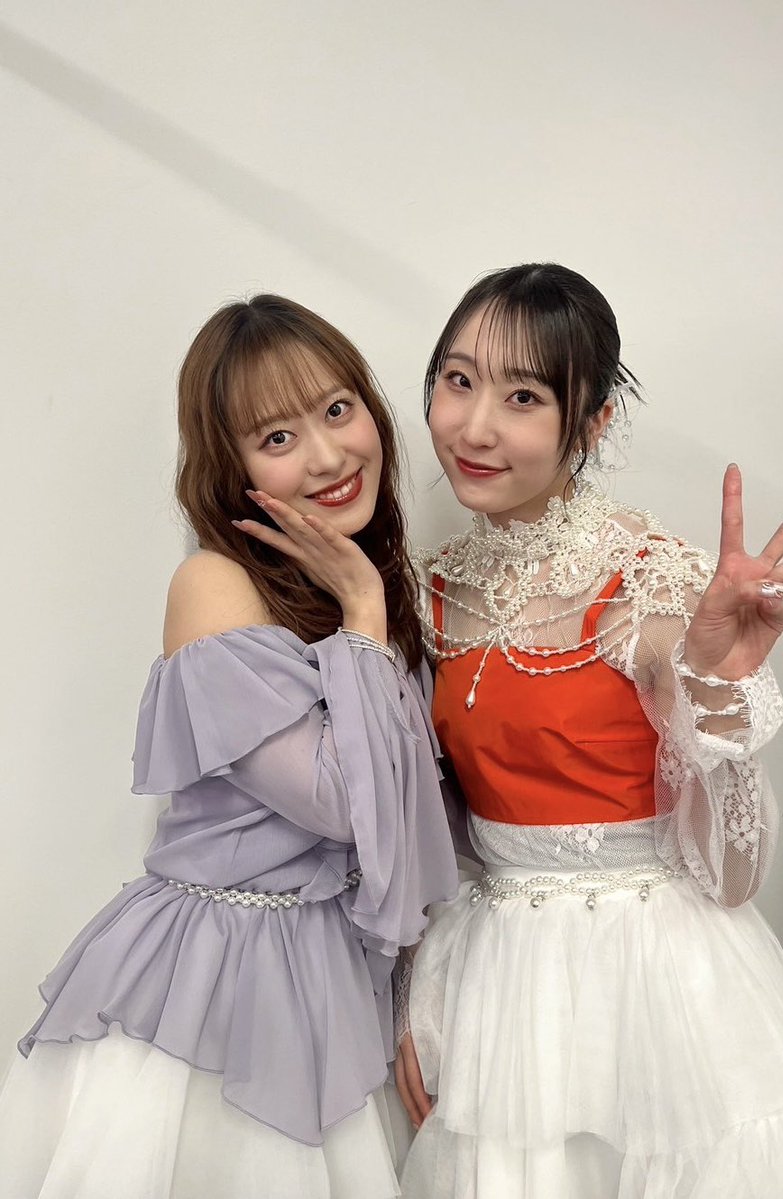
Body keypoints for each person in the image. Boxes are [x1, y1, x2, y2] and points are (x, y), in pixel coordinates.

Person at [395, 263, 783, 1197]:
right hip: (500, 990)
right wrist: (415, 990)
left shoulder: (657, 582)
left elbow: (732, 877)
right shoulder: (429, 587)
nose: (474, 426)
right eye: (458, 381)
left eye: (523, 396)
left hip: (657, 987)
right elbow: (439, 834)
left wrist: (715, 684)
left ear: (592, 422)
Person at [0, 294, 457, 1199]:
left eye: (337, 409)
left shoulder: (379, 595)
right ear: (232, 464)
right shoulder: (215, 584)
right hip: (217, 980)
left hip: (332, 987)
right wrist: (365, 611)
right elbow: (342, 804)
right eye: (277, 436)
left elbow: (416, 830)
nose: (327, 455)